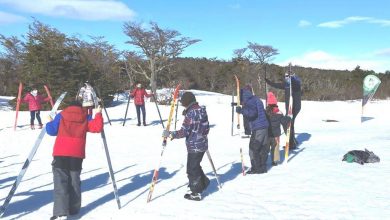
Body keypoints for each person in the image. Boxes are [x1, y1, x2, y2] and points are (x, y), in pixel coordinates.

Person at [46, 101, 103, 220]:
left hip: (60, 152)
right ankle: (74, 209)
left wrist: (50, 121)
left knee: (60, 181)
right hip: (77, 154)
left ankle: (61, 212)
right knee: (74, 181)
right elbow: (96, 128)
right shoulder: (85, 116)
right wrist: (98, 114)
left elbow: (51, 131)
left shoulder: (61, 115)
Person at [162, 92, 210, 201]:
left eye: (183, 103)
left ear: (187, 102)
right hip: (202, 144)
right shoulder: (201, 110)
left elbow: (184, 131)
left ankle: (196, 192)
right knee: (195, 165)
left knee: (192, 169)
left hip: (194, 146)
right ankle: (203, 182)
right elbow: (206, 127)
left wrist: (171, 134)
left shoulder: (190, 114)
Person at [236, 87, 269, 174]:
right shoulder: (255, 99)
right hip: (263, 127)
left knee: (253, 148)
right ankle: (262, 167)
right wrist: (238, 105)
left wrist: (241, 110)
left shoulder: (250, 101)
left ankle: (256, 168)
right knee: (262, 148)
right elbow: (251, 108)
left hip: (258, 128)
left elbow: (252, 113)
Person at [265, 71, 301, 149]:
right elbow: (277, 85)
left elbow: (295, 82)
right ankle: (292, 141)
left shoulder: (295, 84)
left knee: (287, 123)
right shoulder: (287, 85)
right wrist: (269, 82)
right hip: (289, 108)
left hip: (294, 108)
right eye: (285, 76)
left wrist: (292, 78)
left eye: (288, 76)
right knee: (290, 123)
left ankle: (291, 143)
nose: (286, 78)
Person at [265, 92, 284, 166]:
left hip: (267, 133)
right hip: (276, 134)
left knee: (266, 148)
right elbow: (283, 122)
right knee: (275, 147)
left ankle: (264, 160)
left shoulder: (266, 112)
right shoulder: (279, 112)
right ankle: (275, 160)